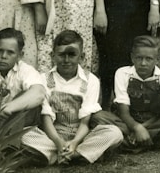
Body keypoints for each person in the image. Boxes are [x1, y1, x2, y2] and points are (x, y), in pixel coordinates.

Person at [21, 31, 122, 165]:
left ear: (82, 57)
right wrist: (58, 142)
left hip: (81, 135)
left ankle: (70, 153)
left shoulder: (90, 80)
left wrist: (74, 142)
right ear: (53, 56)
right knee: (23, 135)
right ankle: (72, 154)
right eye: (62, 55)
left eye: (72, 54)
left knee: (114, 132)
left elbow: (86, 121)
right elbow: (46, 117)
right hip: (52, 136)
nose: (66, 60)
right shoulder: (43, 79)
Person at [95, 35, 160, 153]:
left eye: (149, 59)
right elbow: (123, 112)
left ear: (157, 59)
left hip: (154, 121)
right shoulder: (122, 73)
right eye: (139, 58)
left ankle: (130, 142)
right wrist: (137, 127)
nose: (143, 63)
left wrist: (143, 128)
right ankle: (157, 142)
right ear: (132, 57)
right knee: (98, 116)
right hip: (128, 121)